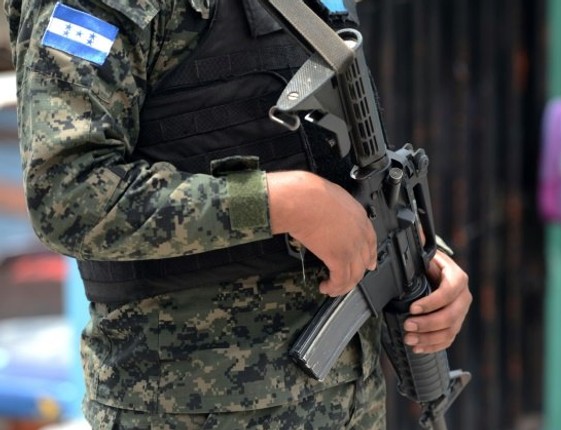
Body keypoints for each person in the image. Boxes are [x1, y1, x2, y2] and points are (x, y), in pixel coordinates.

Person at [5, 0, 472, 428]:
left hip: (347, 402)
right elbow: (69, 195)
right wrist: (280, 203)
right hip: (188, 407)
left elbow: (336, 152)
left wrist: (417, 254)